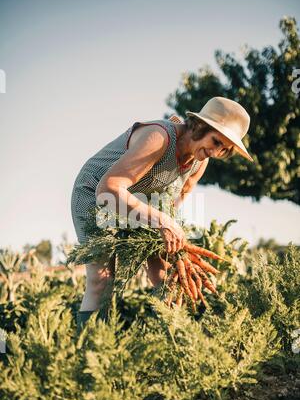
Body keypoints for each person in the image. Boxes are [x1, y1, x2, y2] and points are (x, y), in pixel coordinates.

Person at [71, 96, 253, 331]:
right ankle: (89, 356)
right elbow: (109, 189)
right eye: (216, 141)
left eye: (224, 149)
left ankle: (170, 341)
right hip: (96, 194)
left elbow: (172, 203)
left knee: (167, 280)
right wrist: (160, 221)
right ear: (199, 126)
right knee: (102, 280)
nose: (215, 152)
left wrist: (170, 245)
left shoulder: (200, 160)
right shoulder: (159, 137)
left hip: (143, 204)